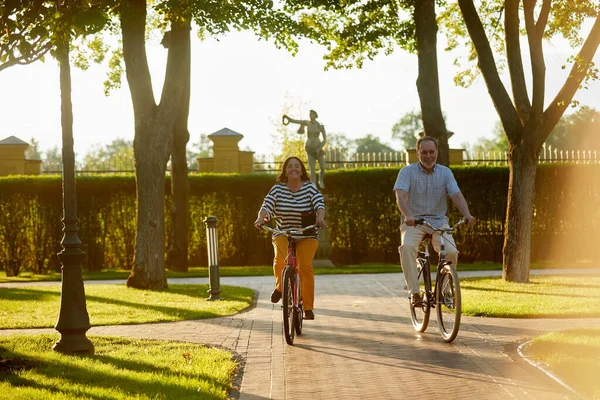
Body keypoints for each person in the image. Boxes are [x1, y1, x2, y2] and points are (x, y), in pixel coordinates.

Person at [393, 135, 476, 306]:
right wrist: (408, 215)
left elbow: (456, 195)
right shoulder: (407, 172)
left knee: (451, 251)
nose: (428, 156)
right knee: (407, 247)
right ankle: (414, 293)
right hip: (414, 222)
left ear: (437, 152)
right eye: (424, 152)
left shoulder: (445, 173)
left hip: (438, 222)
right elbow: (400, 196)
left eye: (431, 152)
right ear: (417, 153)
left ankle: (444, 290)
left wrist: (467, 214)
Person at [254, 156, 327, 320]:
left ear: (301, 170)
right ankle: (280, 288)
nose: (294, 168)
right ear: (285, 172)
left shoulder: (309, 188)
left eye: (297, 166)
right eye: (290, 166)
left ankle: (307, 308)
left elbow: (319, 204)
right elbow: (266, 206)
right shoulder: (278, 189)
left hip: (307, 235)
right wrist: (261, 218)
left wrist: (320, 218)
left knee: (305, 267)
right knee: (280, 260)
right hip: (283, 234)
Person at [282, 110, 327, 189]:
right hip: (310, 149)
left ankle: (320, 180)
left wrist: (319, 148)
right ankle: (314, 187)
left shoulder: (320, 126)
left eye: (312, 114)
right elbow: (296, 121)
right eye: (309, 114)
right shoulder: (307, 123)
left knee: (322, 167)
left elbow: (324, 139)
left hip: (318, 149)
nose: (310, 116)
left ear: (315, 115)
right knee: (312, 169)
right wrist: (288, 119)